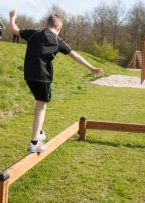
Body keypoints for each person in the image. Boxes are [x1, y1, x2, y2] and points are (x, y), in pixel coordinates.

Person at [9, 10, 104, 153]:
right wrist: (91, 68)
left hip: (28, 75)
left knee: (39, 103)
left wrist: (12, 17)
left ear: (46, 24)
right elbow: (74, 55)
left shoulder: (34, 33)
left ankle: (39, 133)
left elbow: (14, 30)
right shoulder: (56, 40)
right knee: (41, 106)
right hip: (43, 77)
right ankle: (34, 143)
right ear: (58, 28)